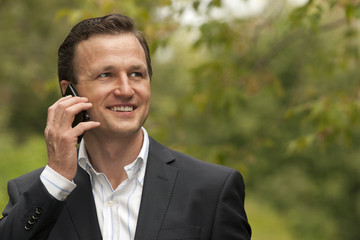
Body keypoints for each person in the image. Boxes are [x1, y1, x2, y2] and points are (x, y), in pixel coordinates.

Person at [0, 14, 251, 240]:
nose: (126, 90)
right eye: (106, 75)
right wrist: (56, 179)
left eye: (136, 74)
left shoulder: (212, 189)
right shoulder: (35, 193)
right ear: (69, 93)